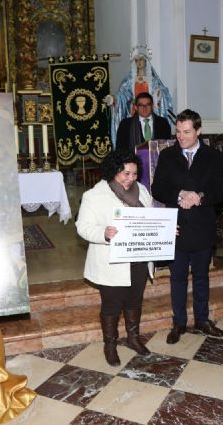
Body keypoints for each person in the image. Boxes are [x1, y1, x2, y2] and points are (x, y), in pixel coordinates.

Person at [151, 109, 223, 344]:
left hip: (203, 226)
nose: (181, 137)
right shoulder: (167, 155)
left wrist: (199, 197)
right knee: (177, 278)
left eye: (186, 132)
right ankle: (179, 323)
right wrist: (179, 194)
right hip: (176, 228)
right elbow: (158, 188)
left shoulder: (213, 156)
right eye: (178, 132)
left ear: (198, 130)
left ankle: (203, 320)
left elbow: (222, 190)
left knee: (202, 277)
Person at [76, 150, 154, 366]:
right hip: (112, 262)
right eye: (125, 174)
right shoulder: (94, 196)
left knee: (134, 301)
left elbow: (151, 218)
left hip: (138, 259)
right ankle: (110, 345)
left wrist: (164, 231)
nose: (130, 179)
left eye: (134, 174)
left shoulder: (143, 192)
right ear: (113, 172)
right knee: (111, 305)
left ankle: (133, 338)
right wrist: (103, 233)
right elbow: (83, 227)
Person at [105, 53, 174, 149]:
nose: (139, 62)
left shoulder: (153, 81)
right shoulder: (129, 81)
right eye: (136, 60)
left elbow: (163, 94)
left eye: (141, 59)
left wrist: (159, 94)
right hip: (132, 115)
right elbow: (123, 95)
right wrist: (113, 99)